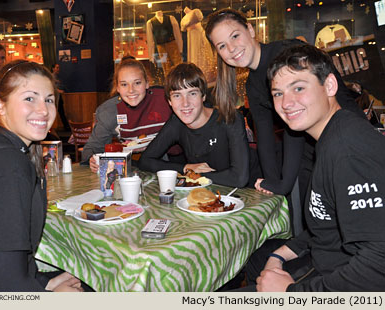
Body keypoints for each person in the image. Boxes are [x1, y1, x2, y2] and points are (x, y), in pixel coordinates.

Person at [240, 44, 385, 291]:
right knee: (254, 258)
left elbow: (378, 267)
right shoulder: (330, 137)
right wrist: (282, 253)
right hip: (323, 263)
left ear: (329, 85)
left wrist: (290, 293)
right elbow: (330, 222)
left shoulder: (348, 151)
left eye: (298, 88)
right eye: (278, 94)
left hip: (336, 282)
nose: (287, 103)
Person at [205, 8, 364, 232]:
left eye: (235, 36)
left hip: (347, 140)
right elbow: (265, 138)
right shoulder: (252, 84)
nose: (231, 49)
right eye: (222, 46)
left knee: (349, 222)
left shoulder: (287, 54)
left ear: (250, 29)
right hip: (314, 147)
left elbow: (295, 122)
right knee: (319, 224)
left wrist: (282, 183)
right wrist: (272, 184)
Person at [0, 60, 84, 292]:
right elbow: (6, 288)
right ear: (0, 105)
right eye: (29, 98)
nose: (44, 110)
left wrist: (44, 282)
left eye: (49, 99)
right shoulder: (6, 166)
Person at [138, 62, 250, 188]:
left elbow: (240, 179)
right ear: (169, 101)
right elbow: (145, 161)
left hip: (249, 194)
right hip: (207, 193)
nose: (185, 103)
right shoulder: (177, 123)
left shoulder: (230, 118)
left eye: (192, 93)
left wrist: (194, 176)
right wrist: (186, 168)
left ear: (203, 96)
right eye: (177, 95)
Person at [81, 57, 181, 172]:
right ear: (117, 87)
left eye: (137, 83)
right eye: (124, 85)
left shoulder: (167, 100)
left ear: (147, 83)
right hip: (134, 169)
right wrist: (92, 159)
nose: (131, 90)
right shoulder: (110, 111)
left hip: (176, 165)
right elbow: (91, 149)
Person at [51, 63, 70, 131]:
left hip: (59, 97)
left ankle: (66, 127)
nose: (58, 69)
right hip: (54, 98)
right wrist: (58, 90)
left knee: (61, 112)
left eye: (59, 67)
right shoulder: (51, 77)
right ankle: (66, 127)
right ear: (53, 68)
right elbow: (51, 87)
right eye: (57, 67)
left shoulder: (58, 77)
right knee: (56, 112)